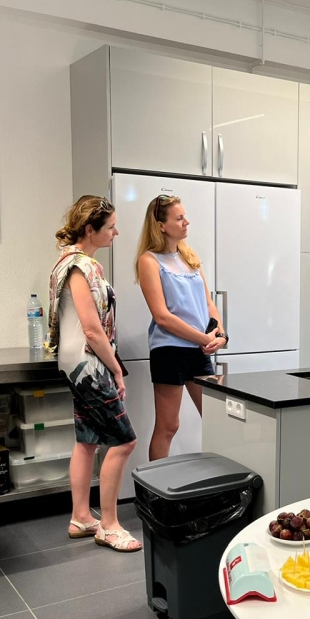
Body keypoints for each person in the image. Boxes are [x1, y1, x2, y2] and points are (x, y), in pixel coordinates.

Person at [48, 196, 141, 552]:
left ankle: (81, 517)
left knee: (87, 440)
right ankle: (109, 525)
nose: (116, 232)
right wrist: (116, 368)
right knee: (123, 440)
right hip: (88, 365)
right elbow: (91, 328)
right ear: (90, 229)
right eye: (111, 227)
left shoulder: (66, 262)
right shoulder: (83, 266)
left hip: (74, 362)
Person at [134, 194, 226, 461]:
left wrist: (220, 334)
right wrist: (203, 338)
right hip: (170, 351)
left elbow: (208, 302)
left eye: (185, 217)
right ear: (161, 225)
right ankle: (156, 486)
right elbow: (162, 316)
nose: (187, 222)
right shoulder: (149, 261)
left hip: (199, 349)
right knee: (168, 426)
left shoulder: (189, 257)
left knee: (216, 419)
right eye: (180, 218)